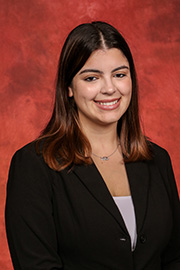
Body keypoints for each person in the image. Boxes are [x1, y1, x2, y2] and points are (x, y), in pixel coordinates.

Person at [5, 21, 180, 270]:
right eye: (91, 78)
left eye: (119, 74)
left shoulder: (157, 160)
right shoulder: (34, 165)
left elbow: (174, 257)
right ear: (68, 88)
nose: (109, 89)